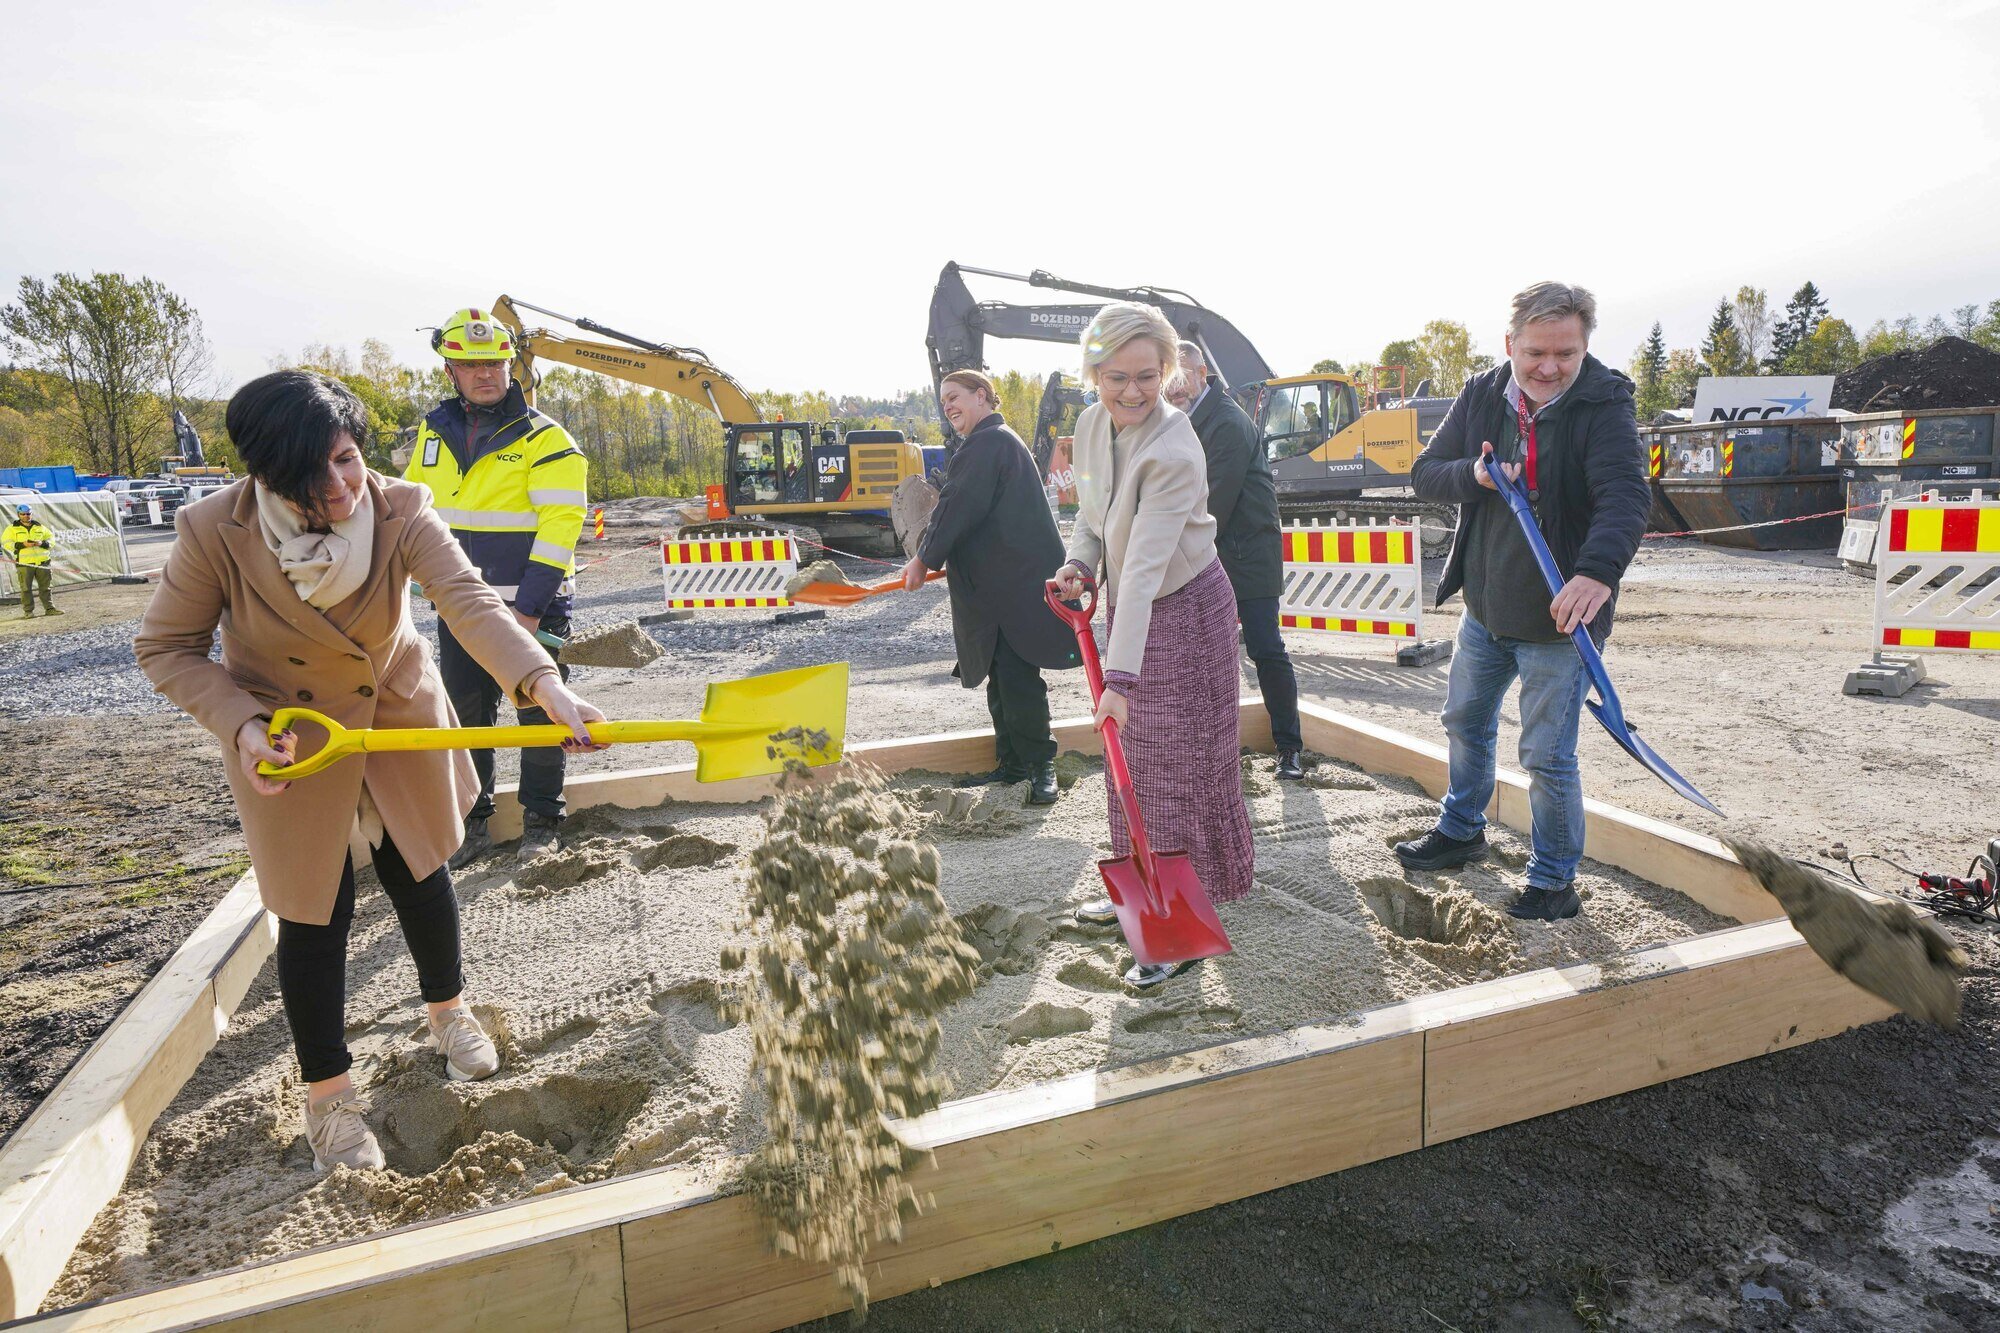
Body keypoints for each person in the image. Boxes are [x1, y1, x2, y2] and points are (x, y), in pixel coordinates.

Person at [135, 370, 607, 1171]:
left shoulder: (402, 507)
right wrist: (242, 725)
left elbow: (469, 602)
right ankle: (328, 1098)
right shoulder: (215, 529)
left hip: (393, 711)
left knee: (420, 870)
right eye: (311, 476)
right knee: (314, 910)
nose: (340, 487)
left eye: (348, 458)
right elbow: (167, 648)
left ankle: (448, 1012)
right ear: (265, 477)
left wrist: (542, 683)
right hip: (292, 735)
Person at [1396, 282, 1651, 922]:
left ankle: (1553, 880)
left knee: (1546, 756)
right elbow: (1426, 473)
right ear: (1510, 344)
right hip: (1487, 609)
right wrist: (1475, 475)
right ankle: (1462, 829)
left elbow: (1625, 496)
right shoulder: (1483, 394)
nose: (1550, 368)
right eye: (1536, 353)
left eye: (1566, 353)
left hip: (1562, 622)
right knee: (1464, 722)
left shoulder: (1604, 404)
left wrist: (1596, 574)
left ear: (1585, 346)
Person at [1053, 303, 1255, 987]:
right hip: (1134, 614)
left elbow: (1142, 569)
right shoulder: (1090, 426)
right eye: (1116, 377)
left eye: (1147, 375)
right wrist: (1078, 565)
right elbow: (1092, 517)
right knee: (1130, 764)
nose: (1133, 391)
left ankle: (1183, 927)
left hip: (1187, 611)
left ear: (1167, 370)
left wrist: (1121, 681)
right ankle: (1138, 897)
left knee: (1175, 767)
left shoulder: (1175, 448)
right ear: (1094, 374)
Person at [404, 308, 591, 866]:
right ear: (450, 371)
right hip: (460, 606)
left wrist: (529, 611)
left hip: (531, 607)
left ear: (512, 366)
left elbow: (561, 527)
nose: (485, 373)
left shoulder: (546, 438)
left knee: (540, 714)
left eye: (495, 362)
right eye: (471, 364)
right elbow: (410, 510)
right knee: (466, 715)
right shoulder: (432, 434)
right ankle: (474, 823)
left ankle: (542, 822)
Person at [901, 370, 1077, 805]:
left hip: (1013, 588)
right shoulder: (993, 442)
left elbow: (957, 507)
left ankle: (1040, 767)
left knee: (1017, 679)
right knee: (1001, 677)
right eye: (943, 401)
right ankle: (1014, 765)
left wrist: (923, 559)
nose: (948, 406)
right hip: (1003, 588)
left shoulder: (988, 443)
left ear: (982, 396)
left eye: (955, 396)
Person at [1164, 341, 1302, 780]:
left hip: (1246, 557)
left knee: (1265, 648)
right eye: (1167, 379)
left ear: (1201, 372)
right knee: (1203, 655)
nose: (1173, 388)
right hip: (1212, 554)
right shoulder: (1184, 421)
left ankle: (1289, 748)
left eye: (1180, 378)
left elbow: (1211, 506)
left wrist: (1163, 553)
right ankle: (1210, 747)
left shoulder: (1225, 423)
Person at [4, 503, 59, 617]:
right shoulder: (11, 528)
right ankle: (28, 612)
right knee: (25, 589)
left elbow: (51, 539)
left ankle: (50, 609)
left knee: (46, 588)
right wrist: (22, 544)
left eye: (28, 514)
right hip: (24, 564)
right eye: (23, 514)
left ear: (31, 514)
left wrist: (42, 543)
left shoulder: (39, 527)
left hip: (43, 562)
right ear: (18, 514)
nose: (26, 516)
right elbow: (5, 543)